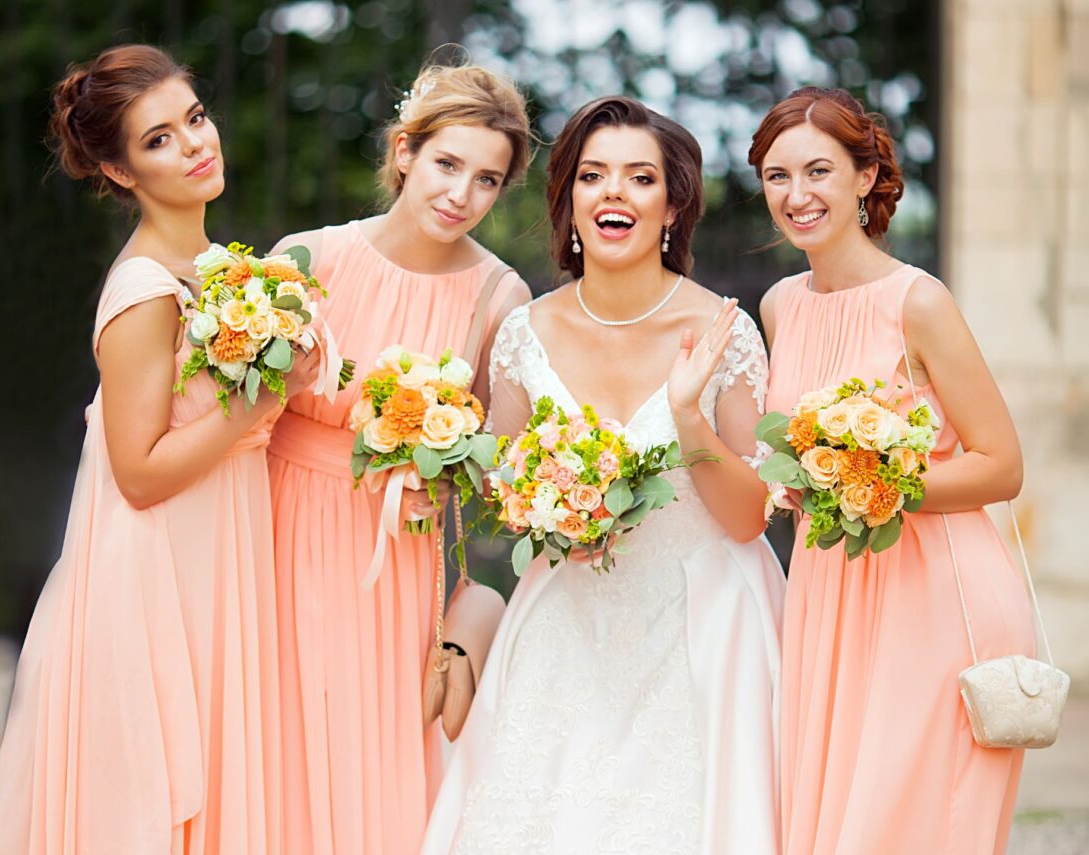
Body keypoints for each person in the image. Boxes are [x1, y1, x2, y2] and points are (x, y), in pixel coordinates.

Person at [0, 44, 322, 854]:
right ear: (121, 172)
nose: (197, 144)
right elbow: (137, 472)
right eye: (159, 139)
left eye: (194, 118)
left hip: (219, 551)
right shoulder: (144, 290)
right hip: (160, 572)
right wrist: (263, 400)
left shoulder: (211, 269)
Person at [422, 95, 785, 854]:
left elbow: (750, 516)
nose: (613, 192)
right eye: (592, 175)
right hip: (564, 627)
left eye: (640, 177)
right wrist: (548, 512)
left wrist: (687, 417)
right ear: (571, 201)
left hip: (700, 625)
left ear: (673, 206)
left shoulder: (723, 331)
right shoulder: (526, 331)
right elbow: (500, 488)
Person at [751, 86, 1035, 855]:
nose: (797, 195)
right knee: (826, 816)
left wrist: (871, 484)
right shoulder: (780, 304)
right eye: (777, 176)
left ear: (865, 176)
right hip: (827, 588)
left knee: (905, 824)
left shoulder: (919, 301)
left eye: (818, 171)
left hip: (932, 590)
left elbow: (1002, 463)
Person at [264, 61, 533, 854]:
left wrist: (447, 473)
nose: (462, 194)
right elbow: (241, 423)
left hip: (395, 557)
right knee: (274, 740)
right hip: (277, 528)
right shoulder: (308, 258)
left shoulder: (499, 297)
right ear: (406, 151)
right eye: (448, 164)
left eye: (487, 180)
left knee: (373, 747)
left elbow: (495, 464)